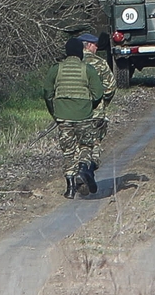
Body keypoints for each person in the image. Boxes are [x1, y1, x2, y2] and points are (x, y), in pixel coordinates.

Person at [40, 35, 109, 197]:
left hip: (63, 116)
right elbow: (98, 93)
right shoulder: (88, 69)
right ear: (80, 52)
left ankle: (70, 188)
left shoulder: (56, 69)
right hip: (84, 116)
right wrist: (88, 105)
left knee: (68, 151)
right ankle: (84, 168)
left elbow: (47, 93)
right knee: (86, 146)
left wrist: (54, 112)